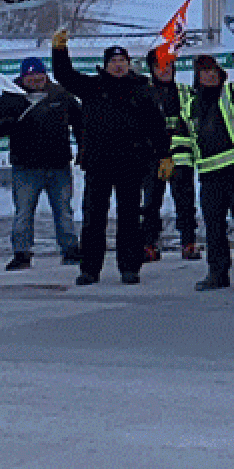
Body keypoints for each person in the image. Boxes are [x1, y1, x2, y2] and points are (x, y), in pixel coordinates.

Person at [49, 34, 169, 285]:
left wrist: (164, 155)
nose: (118, 65)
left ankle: (129, 267)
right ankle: (90, 269)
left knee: (129, 218)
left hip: (131, 163)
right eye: (113, 61)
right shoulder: (92, 87)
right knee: (94, 219)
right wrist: (59, 50)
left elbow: (157, 126)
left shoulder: (142, 89)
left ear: (129, 64)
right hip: (98, 163)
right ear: (105, 65)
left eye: (122, 60)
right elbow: (64, 76)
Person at [174, 53, 234, 290]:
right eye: (205, 71)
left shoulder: (232, 92)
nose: (210, 75)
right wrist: (181, 169)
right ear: (197, 76)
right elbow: (183, 141)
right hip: (210, 174)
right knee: (214, 227)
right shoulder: (189, 106)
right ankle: (217, 273)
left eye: (213, 70)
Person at [0, 55, 82, 272]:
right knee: (24, 212)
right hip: (26, 166)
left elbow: (80, 121)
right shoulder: (12, 97)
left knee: (64, 211)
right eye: (30, 77)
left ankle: (70, 250)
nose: (35, 81)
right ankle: (22, 253)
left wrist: (84, 148)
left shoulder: (60, 95)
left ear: (45, 76)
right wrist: (11, 122)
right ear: (22, 78)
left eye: (39, 76)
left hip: (58, 164)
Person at [142, 50, 199, 260]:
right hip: (153, 156)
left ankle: (189, 243)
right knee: (151, 203)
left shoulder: (185, 91)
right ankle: (149, 244)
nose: (164, 70)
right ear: (152, 69)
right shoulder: (144, 92)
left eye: (168, 65)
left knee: (185, 202)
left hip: (181, 155)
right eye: (159, 66)